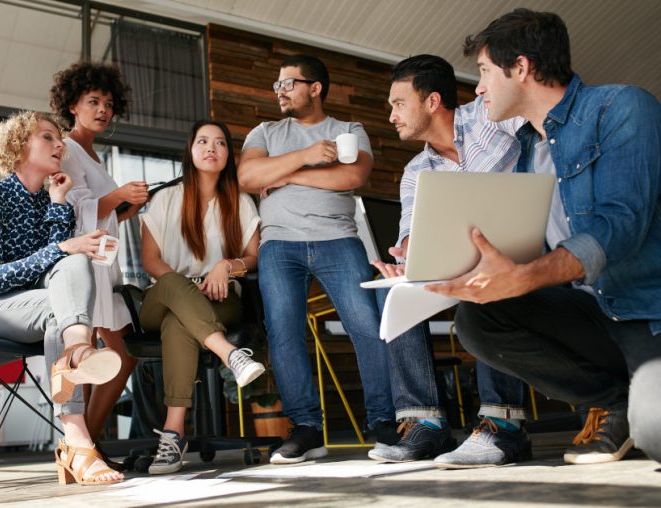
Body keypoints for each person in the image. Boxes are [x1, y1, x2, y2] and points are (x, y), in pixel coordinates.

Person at [426, 8, 661, 468]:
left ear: (521, 68)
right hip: (591, 312)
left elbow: (621, 223)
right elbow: (537, 248)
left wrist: (527, 276)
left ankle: (640, 406)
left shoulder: (622, 108)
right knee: (478, 317)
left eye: (485, 72)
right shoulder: (529, 150)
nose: (478, 88)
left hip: (643, 312)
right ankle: (615, 403)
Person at [0, 111, 124, 485]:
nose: (60, 145)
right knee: (66, 266)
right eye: (47, 138)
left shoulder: (56, 203)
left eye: (60, 139)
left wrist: (58, 202)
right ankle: (79, 377)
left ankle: (76, 422)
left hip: (30, 311)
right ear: (18, 146)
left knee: (69, 283)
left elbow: (59, 273)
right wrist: (62, 246)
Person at [368, 55, 529, 464]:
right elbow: (411, 229)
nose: (391, 116)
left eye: (398, 104)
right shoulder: (415, 171)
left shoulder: (492, 115)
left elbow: (542, 139)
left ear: (433, 101)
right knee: (392, 292)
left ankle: (502, 426)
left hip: (521, 252)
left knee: (492, 279)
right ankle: (425, 425)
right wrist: (406, 254)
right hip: (453, 265)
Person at [238, 55, 395, 464]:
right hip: (279, 245)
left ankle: (383, 423)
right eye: (277, 86)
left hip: (338, 240)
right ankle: (306, 429)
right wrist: (307, 156)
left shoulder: (347, 130)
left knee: (366, 326)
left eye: (288, 83)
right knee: (284, 332)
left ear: (315, 88)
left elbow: (352, 178)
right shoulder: (265, 131)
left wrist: (284, 175)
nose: (280, 91)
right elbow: (248, 178)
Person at [139, 119, 265, 474]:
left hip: (221, 299)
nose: (212, 148)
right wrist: (184, 288)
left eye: (221, 143)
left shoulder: (240, 202)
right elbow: (151, 261)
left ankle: (174, 433)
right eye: (203, 141)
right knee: (173, 290)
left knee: (179, 320)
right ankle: (231, 355)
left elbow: (253, 256)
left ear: (228, 154)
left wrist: (227, 265)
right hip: (163, 293)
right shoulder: (166, 198)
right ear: (190, 150)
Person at [49, 62, 145, 466]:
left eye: (108, 103)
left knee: (119, 355)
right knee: (115, 354)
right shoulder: (67, 149)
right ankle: (83, 446)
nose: (102, 109)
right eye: (93, 101)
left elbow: (102, 215)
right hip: (84, 265)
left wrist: (128, 207)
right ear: (73, 105)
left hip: (106, 264)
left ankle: (84, 445)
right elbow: (73, 210)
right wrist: (118, 194)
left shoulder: (94, 154)